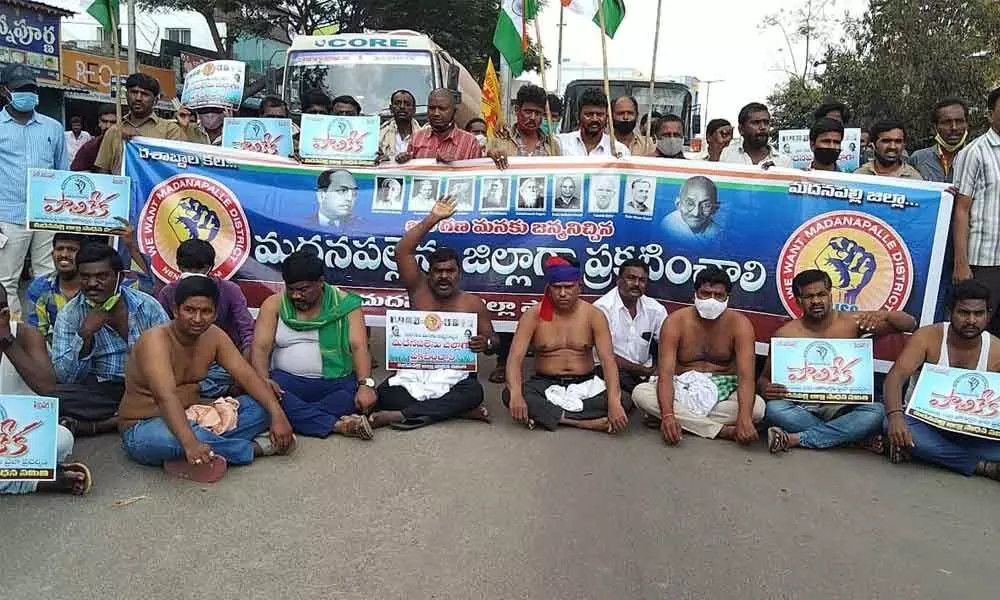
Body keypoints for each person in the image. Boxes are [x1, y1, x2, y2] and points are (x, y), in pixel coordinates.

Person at [119, 276, 295, 482]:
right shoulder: (155, 340)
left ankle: (196, 455)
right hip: (145, 426)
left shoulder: (214, 336)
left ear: (215, 313)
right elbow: (165, 397)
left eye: (206, 312)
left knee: (263, 405)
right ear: (176, 310)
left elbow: (246, 375)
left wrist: (278, 415)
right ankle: (255, 448)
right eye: (190, 310)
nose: (197, 319)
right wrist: (190, 442)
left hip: (196, 416)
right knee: (192, 438)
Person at [370, 196, 497, 430]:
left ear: (459, 274)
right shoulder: (419, 290)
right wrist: (434, 218)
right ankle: (459, 413)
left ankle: (400, 416)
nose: (444, 276)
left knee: (473, 391)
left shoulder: (473, 304)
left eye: (450, 271)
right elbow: (402, 252)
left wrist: (485, 343)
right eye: (438, 271)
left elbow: (493, 341)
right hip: (415, 371)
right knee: (384, 394)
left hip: (454, 374)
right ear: (429, 274)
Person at [759, 269, 916, 453]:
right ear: (798, 301)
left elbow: (909, 324)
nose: (816, 301)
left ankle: (799, 438)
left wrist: (884, 315)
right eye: (809, 296)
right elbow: (764, 378)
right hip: (803, 406)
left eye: (821, 294)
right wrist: (766, 388)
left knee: (876, 412)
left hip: (843, 405)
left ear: (830, 295)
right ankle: (852, 438)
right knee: (774, 409)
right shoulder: (785, 334)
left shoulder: (852, 322)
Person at [632, 266, 764, 444]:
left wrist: (745, 418)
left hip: (722, 389)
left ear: (728, 299)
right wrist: (669, 414)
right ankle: (720, 431)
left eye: (718, 296)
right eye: (705, 293)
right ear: (694, 295)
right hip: (681, 387)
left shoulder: (740, 325)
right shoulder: (675, 322)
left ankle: (679, 421)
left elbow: (746, 378)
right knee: (640, 393)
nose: (711, 300)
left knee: (757, 409)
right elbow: (665, 375)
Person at [882, 280, 1000, 481]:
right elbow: (895, 377)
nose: (971, 320)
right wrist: (895, 417)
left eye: (978, 314)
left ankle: (926, 452)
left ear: (988, 316)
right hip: (924, 425)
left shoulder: (996, 349)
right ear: (949, 312)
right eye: (964, 313)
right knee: (890, 423)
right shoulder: (928, 337)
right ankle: (982, 466)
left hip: (971, 431)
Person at [251, 250, 375, 439]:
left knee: (355, 398)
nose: (296, 296)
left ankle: (291, 417)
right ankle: (336, 424)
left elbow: (359, 347)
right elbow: (260, 348)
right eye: (291, 289)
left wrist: (366, 385)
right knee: (267, 393)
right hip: (287, 381)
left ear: (320, 281)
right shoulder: (274, 304)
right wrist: (263, 380)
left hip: (336, 382)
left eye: (303, 289)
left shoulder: (346, 304)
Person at [50, 244, 169, 436]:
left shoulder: (147, 305)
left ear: (120, 277)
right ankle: (137, 416)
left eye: (101, 276)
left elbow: (170, 354)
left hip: (147, 386)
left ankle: (111, 421)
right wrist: (85, 335)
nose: (92, 283)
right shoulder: (70, 314)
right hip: (104, 390)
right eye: (85, 277)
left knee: (179, 390)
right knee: (54, 399)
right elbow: (65, 377)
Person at [504, 256, 629, 433]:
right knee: (510, 394)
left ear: (580, 288)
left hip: (586, 383)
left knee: (624, 400)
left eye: (569, 287)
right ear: (548, 289)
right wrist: (516, 395)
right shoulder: (532, 315)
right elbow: (514, 359)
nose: (562, 293)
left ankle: (550, 417)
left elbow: (608, 361)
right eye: (557, 287)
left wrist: (614, 403)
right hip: (545, 383)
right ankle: (582, 422)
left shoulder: (594, 315)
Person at [0, 291, 93, 496]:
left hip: (19, 433)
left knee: (61, 440)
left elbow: (47, 388)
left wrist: (6, 340)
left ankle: (27, 473)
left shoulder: (26, 335)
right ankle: (37, 481)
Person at [0, 64, 66, 318]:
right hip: (8, 215)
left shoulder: (52, 127)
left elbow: (62, 171)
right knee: (6, 280)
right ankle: (10, 338)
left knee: (48, 275)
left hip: (47, 212)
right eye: (20, 89)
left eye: (30, 89)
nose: (26, 94)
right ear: (5, 91)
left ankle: (46, 332)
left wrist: (62, 216)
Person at [157, 239, 255, 397]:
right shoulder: (168, 292)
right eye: (188, 268)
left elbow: (248, 333)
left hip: (225, 365)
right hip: (184, 365)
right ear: (179, 267)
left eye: (200, 268)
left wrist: (242, 374)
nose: (194, 273)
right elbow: (161, 337)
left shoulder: (230, 290)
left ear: (210, 268)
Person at [26, 232, 147, 341]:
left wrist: (132, 247)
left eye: (71, 250)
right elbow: (36, 336)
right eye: (59, 249)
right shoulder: (40, 288)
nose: (64, 254)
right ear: (52, 253)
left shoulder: (115, 284)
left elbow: (148, 286)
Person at [953, 87, 1000, 335]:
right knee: (976, 330)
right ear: (991, 114)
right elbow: (961, 209)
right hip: (984, 261)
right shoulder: (975, 152)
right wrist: (961, 263)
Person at [593, 259, 667, 393]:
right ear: (619, 280)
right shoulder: (602, 308)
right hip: (609, 370)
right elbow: (605, 354)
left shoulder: (656, 310)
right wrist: (645, 371)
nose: (637, 284)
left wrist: (659, 369)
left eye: (642, 280)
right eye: (631, 278)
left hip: (646, 373)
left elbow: (668, 344)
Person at [95, 73, 185, 175]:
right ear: (126, 95)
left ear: (155, 100)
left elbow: (177, 169)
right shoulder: (114, 131)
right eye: (134, 92)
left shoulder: (170, 130)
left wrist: (138, 143)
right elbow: (102, 169)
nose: (138, 98)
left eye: (145, 94)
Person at [397, 89, 482, 164]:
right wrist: (403, 161)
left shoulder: (471, 143)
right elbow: (409, 174)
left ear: (454, 112)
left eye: (442, 109)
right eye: (432, 108)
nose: (436, 113)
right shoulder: (416, 138)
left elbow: (476, 177)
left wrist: (453, 165)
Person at [486, 84, 560, 167]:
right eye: (528, 112)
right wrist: (491, 156)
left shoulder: (552, 145)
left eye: (538, 113)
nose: (533, 117)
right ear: (517, 110)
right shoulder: (499, 141)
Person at [908, 99, 969, 183]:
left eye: (959, 121)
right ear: (935, 127)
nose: (954, 128)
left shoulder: (979, 158)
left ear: (967, 124)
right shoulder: (918, 159)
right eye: (946, 122)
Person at [558, 88, 630, 157]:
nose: (594, 119)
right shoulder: (560, 145)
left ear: (607, 117)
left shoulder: (620, 151)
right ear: (578, 115)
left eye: (600, 114)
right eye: (589, 114)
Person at [720, 102, 792, 168]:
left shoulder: (784, 163)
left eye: (766, 122)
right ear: (741, 129)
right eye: (756, 123)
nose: (763, 127)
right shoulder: (726, 155)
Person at [855, 120, 923, 179]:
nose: (892, 147)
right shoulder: (859, 176)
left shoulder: (914, 179)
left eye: (898, 141)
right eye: (886, 141)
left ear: (904, 145)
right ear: (873, 145)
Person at [662, 176, 720, 240]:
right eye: (690, 204)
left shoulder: (717, 236)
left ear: (715, 209)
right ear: (678, 204)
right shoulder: (669, 223)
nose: (696, 213)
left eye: (706, 205)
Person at [378, 89, 422, 161]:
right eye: (397, 103)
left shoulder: (423, 135)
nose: (402, 107)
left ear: (414, 110)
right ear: (391, 109)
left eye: (407, 104)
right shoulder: (379, 135)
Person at [71, 104, 117, 172]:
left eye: (113, 122)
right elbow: (76, 174)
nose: (108, 126)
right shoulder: (89, 148)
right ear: (99, 122)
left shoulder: (129, 148)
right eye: (104, 121)